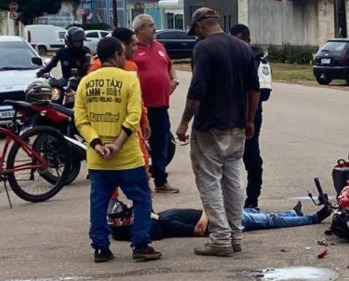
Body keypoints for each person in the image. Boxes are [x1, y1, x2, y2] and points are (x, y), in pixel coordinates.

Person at [176, 7, 260, 257]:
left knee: (209, 180)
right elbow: (254, 89)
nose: (196, 36)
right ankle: (235, 236)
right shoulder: (244, 48)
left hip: (210, 126)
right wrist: (249, 120)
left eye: (196, 32)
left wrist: (183, 123)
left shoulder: (204, 48)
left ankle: (220, 238)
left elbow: (197, 90)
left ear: (201, 25)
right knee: (233, 181)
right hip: (236, 125)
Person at [76, 37, 161, 263]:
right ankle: (140, 245)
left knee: (99, 204)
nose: (126, 58)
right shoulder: (128, 80)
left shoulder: (85, 82)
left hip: (98, 159)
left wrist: (97, 144)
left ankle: (101, 249)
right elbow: (133, 117)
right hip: (127, 158)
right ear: (116, 55)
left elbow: (81, 120)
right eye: (123, 54)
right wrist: (117, 144)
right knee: (141, 200)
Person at [89, 27, 152, 191]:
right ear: (121, 48)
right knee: (132, 168)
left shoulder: (128, 66)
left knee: (133, 166)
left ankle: (119, 208)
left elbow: (138, 100)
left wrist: (144, 120)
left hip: (117, 126)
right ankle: (135, 209)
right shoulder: (126, 68)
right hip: (118, 127)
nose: (136, 49)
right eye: (133, 45)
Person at [109, 200, 333, 241]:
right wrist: (207, 212)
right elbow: (196, 230)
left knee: (257, 214)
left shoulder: (158, 219)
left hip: (216, 216)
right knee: (268, 220)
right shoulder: (162, 224)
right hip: (216, 221)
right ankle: (313, 218)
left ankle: (292, 214)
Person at [132, 14, 181, 194]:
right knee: (137, 145)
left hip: (160, 105)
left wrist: (174, 79)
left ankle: (160, 180)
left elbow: (169, 65)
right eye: (151, 25)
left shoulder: (159, 47)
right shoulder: (131, 49)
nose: (154, 28)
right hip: (139, 107)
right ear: (140, 30)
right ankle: (140, 182)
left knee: (162, 144)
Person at [229, 23, 272, 209]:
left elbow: (264, 92)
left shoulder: (259, 60)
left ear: (248, 40)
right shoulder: (228, 58)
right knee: (227, 158)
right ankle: (230, 200)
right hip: (229, 115)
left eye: (239, 42)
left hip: (251, 115)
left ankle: (252, 199)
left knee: (251, 156)